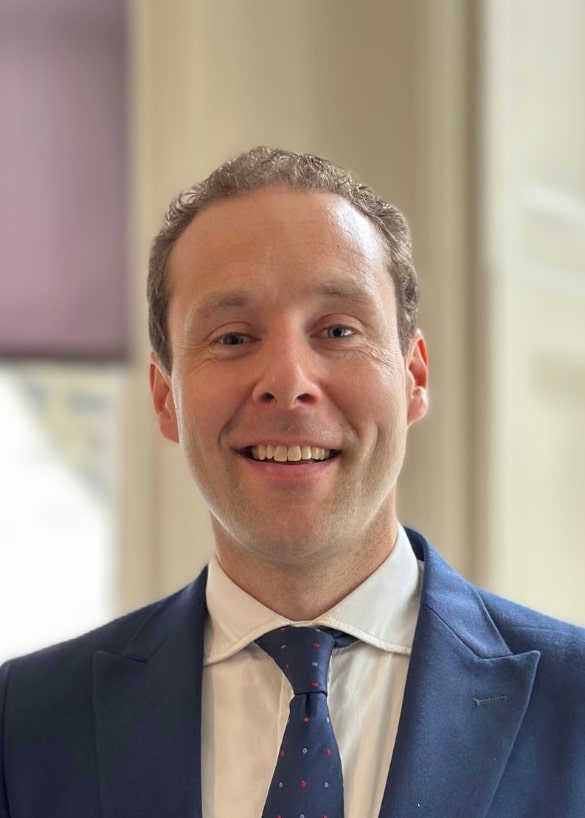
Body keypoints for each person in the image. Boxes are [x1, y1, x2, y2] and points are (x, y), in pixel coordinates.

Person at [1, 147, 584, 818]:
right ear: (165, 398)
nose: (287, 381)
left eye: (337, 330)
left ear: (414, 377)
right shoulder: (26, 723)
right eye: (231, 338)